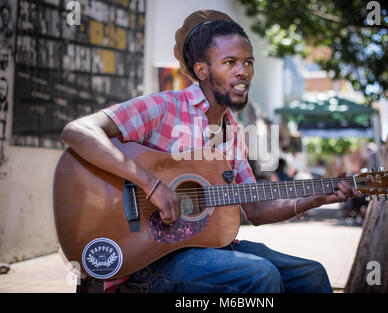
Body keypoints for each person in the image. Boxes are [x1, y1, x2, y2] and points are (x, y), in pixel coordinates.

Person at [61, 10, 360, 293]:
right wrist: (151, 186)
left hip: (210, 251)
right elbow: (78, 131)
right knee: (259, 274)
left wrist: (317, 198)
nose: (243, 72)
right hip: (148, 257)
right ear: (202, 70)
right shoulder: (164, 107)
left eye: (248, 62)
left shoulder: (233, 132)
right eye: (230, 62)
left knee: (312, 274)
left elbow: (254, 209)